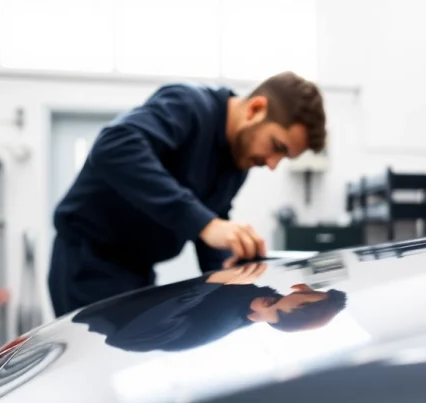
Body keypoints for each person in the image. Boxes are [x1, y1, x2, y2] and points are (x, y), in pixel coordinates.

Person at [48, 71, 327, 317]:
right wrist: (207, 224)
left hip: (138, 270)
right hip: (88, 264)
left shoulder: (237, 160)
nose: (272, 164)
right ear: (255, 108)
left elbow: (210, 222)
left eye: (284, 157)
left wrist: (231, 278)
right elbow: (114, 147)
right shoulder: (189, 105)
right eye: (277, 146)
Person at [72, 262, 348, 353]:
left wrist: (212, 282)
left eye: (275, 307)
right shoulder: (256, 283)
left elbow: (132, 338)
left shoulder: (218, 327)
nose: (298, 288)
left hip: (96, 315)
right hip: (123, 279)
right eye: (305, 293)